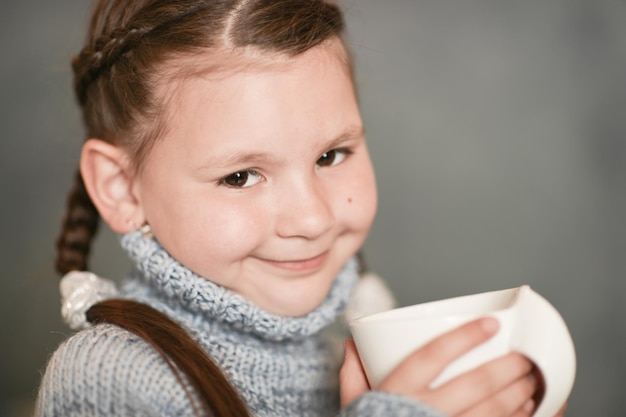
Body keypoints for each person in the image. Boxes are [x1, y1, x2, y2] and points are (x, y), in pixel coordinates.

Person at [35, 1, 564, 416]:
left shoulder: (350, 354)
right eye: (240, 176)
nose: (313, 219)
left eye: (331, 155)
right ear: (123, 190)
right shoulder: (107, 379)